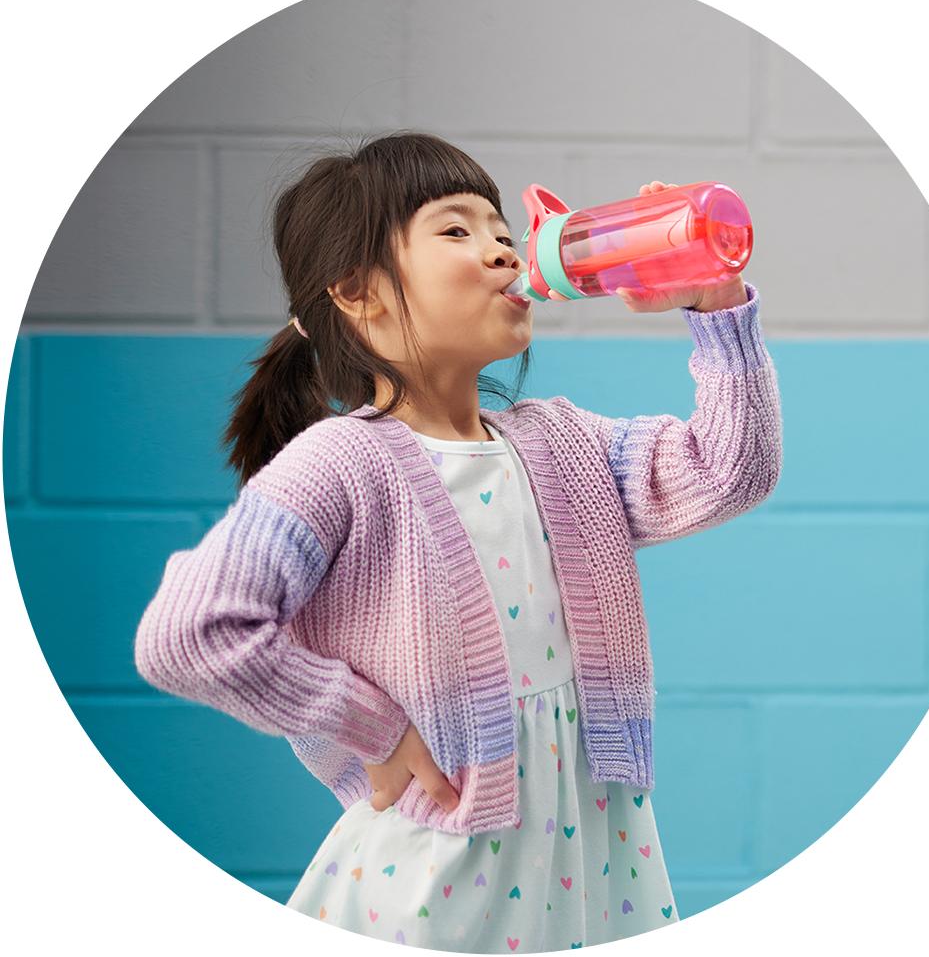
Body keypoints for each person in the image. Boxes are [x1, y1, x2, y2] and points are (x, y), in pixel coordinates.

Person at [133, 131, 782, 953]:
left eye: (504, 231)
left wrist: (714, 305)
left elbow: (732, 470)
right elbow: (188, 635)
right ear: (358, 292)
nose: (503, 251)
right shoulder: (340, 465)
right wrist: (371, 727)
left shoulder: (564, 444)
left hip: (592, 860)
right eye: (457, 230)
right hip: (437, 879)